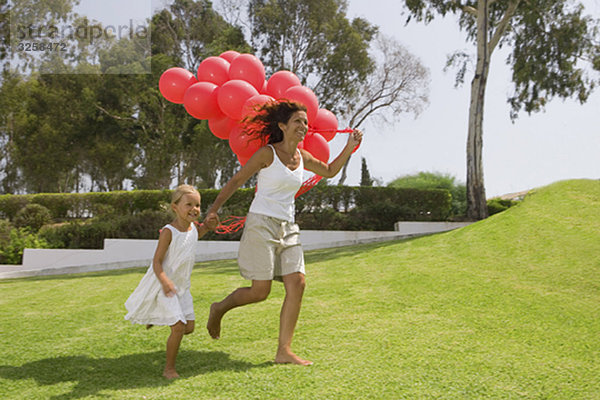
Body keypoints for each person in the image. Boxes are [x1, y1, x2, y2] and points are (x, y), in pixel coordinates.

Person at [203, 100, 363, 366]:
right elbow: (237, 180)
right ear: (282, 126)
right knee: (260, 292)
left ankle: (283, 351)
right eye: (298, 121)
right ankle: (219, 308)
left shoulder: (304, 158)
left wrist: (349, 148)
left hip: (288, 226)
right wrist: (213, 209)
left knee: (298, 283)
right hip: (261, 223)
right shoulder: (268, 153)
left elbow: (331, 171)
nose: (304, 126)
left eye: (306, 123)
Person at [124, 184, 216, 379]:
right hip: (164, 285)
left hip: (182, 287)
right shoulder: (168, 231)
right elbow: (156, 262)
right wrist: (165, 282)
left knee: (189, 328)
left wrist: (208, 226)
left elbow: (194, 237)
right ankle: (169, 369)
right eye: (189, 204)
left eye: (198, 205)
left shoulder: (192, 229)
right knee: (179, 327)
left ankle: (158, 317)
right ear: (175, 207)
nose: (195, 209)